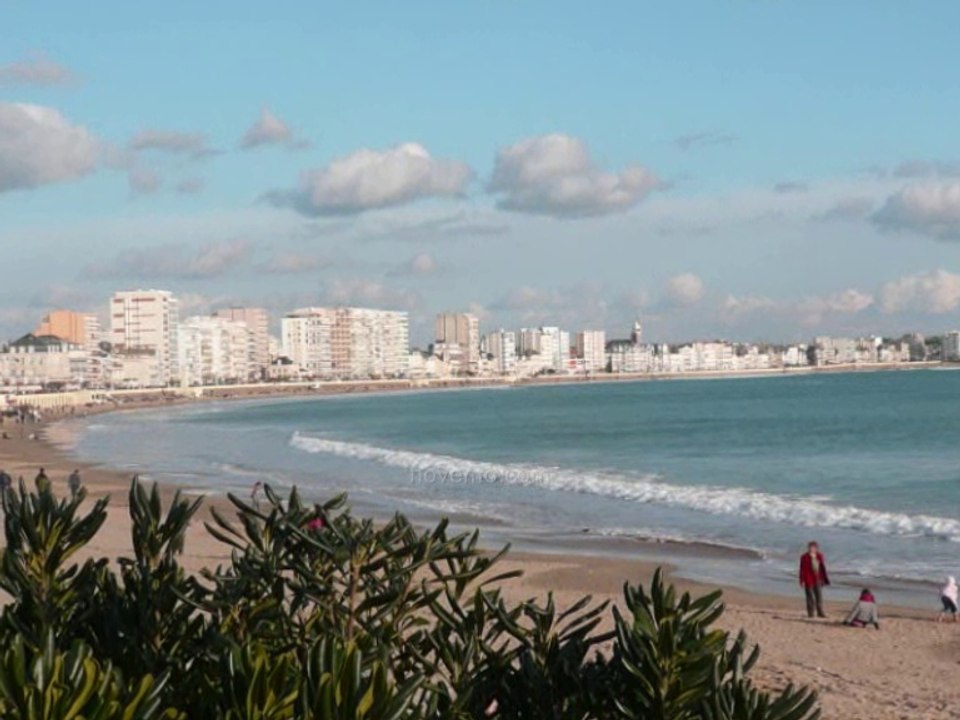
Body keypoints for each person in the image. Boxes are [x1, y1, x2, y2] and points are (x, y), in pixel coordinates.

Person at [799, 541, 830, 618]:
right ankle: (810, 613)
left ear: (816, 548)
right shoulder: (804, 557)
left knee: (819, 596)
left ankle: (820, 612)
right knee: (810, 597)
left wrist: (823, 579)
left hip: (817, 578)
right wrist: (802, 580)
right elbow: (802, 569)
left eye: (813, 548)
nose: (811, 549)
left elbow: (822, 568)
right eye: (810, 547)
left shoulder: (819, 556)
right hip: (808, 578)